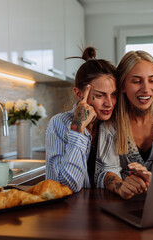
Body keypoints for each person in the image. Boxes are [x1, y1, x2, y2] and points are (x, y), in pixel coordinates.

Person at [95, 50, 153, 199]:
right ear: (122, 85)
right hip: (122, 203)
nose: (146, 89)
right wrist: (121, 186)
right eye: (136, 81)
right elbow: (105, 172)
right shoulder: (111, 122)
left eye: (152, 80)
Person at [45, 47, 117, 192]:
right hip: (67, 211)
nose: (109, 103)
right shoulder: (58, 124)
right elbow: (65, 186)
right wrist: (78, 129)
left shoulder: (112, 125)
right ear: (79, 94)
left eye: (113, 94)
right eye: (100, 95)